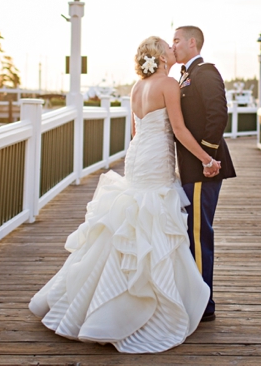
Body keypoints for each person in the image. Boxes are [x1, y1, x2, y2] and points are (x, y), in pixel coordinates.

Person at [29, 36, 221, 353]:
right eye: (168, 47)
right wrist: (206, 159)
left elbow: (136, 132)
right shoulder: (169, 85)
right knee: (151, 221)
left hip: (137, 157)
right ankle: (142, 305)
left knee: (129, 220)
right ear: (161, 57)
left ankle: (98, 297)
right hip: (155, 158)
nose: (173, 50)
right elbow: (180, 130)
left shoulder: (135, 88)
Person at [171, 25, 237, 322]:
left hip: (203, 169)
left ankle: (203, 307)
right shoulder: (185, 75)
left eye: (176, 40)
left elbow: (218, 113)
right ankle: (196, 299)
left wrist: (207, 156)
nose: (172, 45)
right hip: (191, 167)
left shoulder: (205, 71)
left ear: (192, 42)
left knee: (198, 235)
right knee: (192, 233)